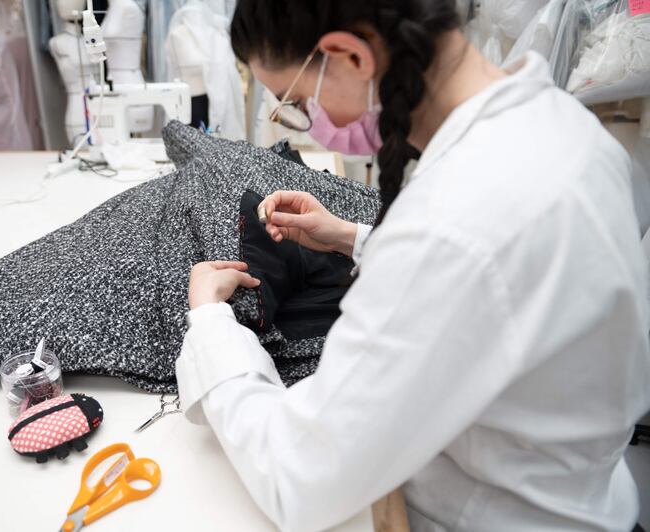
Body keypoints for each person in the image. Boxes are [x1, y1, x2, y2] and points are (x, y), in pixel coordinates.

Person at [174, 1, 650, 531]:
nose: (307, 121)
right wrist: (352, 238)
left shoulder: (450, 227)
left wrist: (211, 325)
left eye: (300, 102)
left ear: (350, 57)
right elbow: (498, 285)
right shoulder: (567, 130)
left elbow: (300, 477)